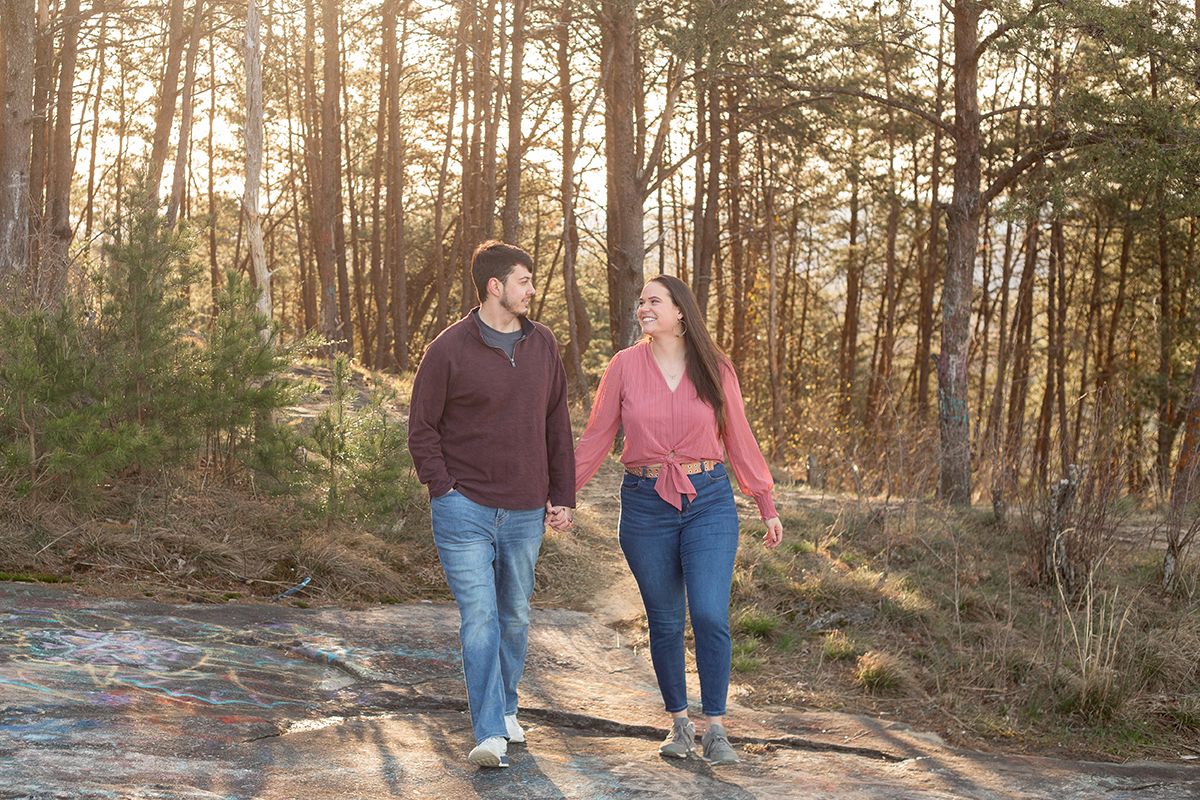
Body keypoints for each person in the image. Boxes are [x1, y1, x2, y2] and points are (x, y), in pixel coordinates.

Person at [573, 274, 783, 766]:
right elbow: (596, 437)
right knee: (665, 621)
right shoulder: (624, 366)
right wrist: (562, 494)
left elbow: (740, 438)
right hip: (646, 504)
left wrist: (765, 501)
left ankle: (716, 727)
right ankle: (679, 725)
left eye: (654, 301)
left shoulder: (714, 366)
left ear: (680, 311)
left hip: (708, 498)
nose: (643, 308)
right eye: (640, 301)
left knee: (709, 614)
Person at [407, 240, 575, 769]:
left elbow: (557, 425)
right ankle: (489, 733)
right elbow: (422, 429)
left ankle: (504, 707)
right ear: (495, 287)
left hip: (525, 509)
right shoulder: (448, 349)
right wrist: (443, 488)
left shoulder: (543, 344)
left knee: (516, 616)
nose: (532, 289)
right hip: (465, 509)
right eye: (524, 281)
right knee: (479, 616)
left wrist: (562, 497)